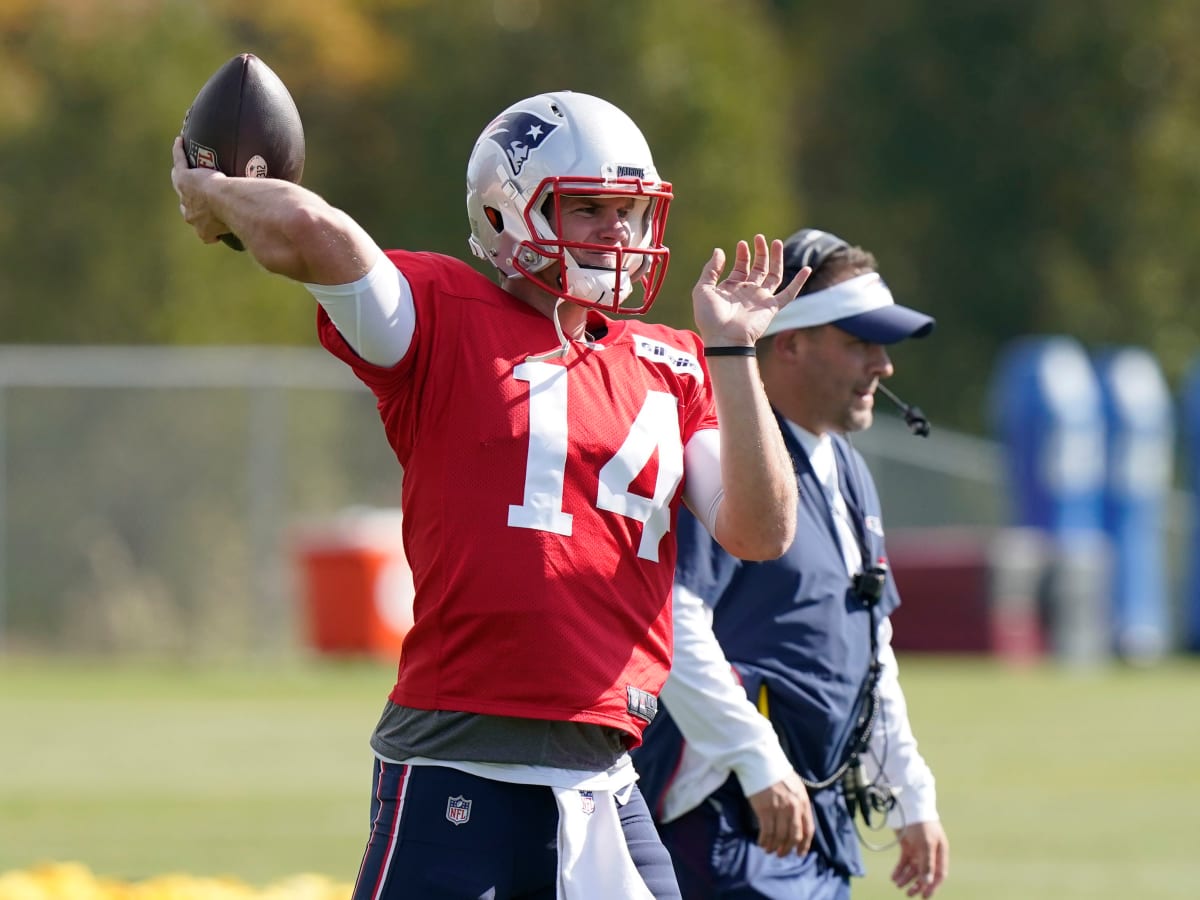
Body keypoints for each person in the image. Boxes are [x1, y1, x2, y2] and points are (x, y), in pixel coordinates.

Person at [171, 89, 810, 899]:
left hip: (608, 778)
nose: (620, 233)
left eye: (630, 211)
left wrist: (734, 353)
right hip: (456, 761)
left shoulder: (677, 363)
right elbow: (310, 231)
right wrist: (210, 191)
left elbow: (761, 529)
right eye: (589, 209)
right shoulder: (439, 315)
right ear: (507, 215)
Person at [632, 228, 951, 899]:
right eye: (859, 342)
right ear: (790, 342)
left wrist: (908, 795)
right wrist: (755, 759)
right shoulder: (723, 458)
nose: (883, 365)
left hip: (812, 814)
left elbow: (871, 652)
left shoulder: (848, 468)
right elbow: (670, 623)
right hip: (727, 814)